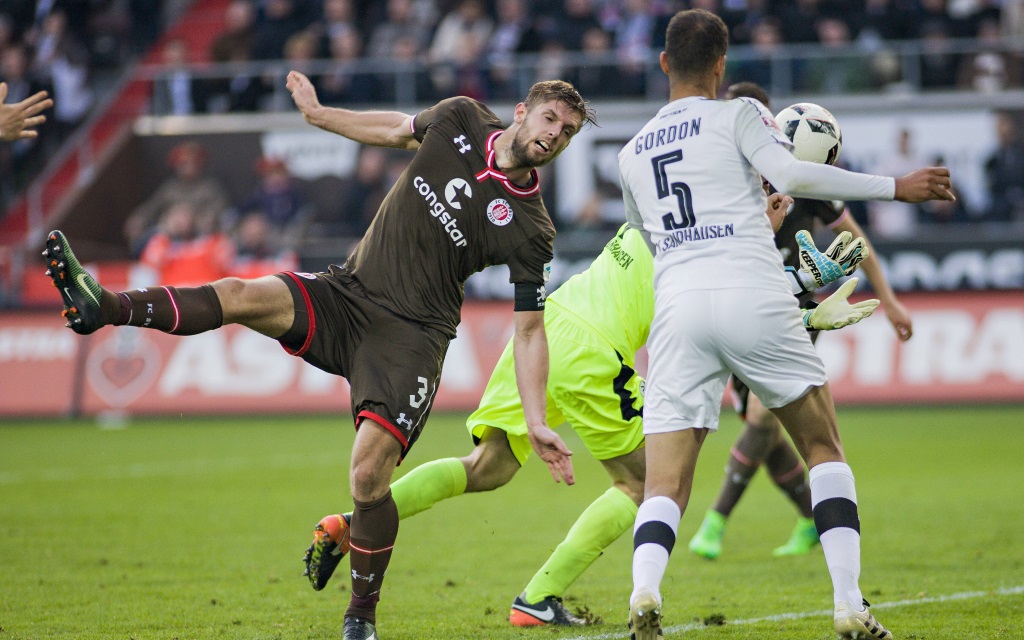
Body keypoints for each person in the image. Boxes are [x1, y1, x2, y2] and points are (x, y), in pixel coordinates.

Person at [44, 71, 594, 640]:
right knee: (238, 294)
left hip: (410, 340)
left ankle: (360, 618)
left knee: (367, 474)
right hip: (346, 292)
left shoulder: (532, 228)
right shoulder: (460, 116)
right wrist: (321, 115)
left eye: (569, 132)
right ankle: (103, 306)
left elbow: (529, 331)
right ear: (521, 111)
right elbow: (399, 130)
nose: (555, 135)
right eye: (550, 119)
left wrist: (534, 421)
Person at [299, 200, 880, 627]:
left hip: (544, 329)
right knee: (645, 482)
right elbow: (734, 307)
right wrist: (801, 303)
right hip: (595, 350)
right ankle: (539, 596)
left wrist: (793, 289)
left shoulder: (664, 206)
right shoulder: (724, 242)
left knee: (489, 465)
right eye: (773, 204)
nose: (777, 214)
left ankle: (354, 524)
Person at [620, 10, 954, 640]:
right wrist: (895, 186)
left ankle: (644, 590)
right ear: (721, 68)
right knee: (823, 447)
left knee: (664, 482)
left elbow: (655, 240)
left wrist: (752, 223)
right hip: (753, 293)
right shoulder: (739, 115)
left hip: (680, 309)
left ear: (663, 63)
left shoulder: (632, 151)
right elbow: (796, 174)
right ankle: (849, 605)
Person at [687, 81, 915, 562]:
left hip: (795, 310)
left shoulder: (803, 179)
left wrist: (889, 299)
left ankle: (714, 522)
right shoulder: (728, 176)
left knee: (761, 418)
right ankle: (813, 516)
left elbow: (855, 239)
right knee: (766, 432)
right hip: (738, 307)